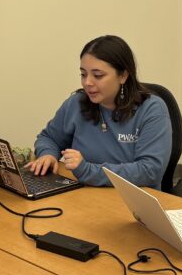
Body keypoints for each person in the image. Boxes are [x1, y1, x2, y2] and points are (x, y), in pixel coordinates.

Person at [27, 35, 172, 189]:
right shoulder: (76, 103)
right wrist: (48, 154)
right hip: (85, 196)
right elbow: (49, 138)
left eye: (98, 75)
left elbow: (149, 171)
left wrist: (87, 170)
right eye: (83, 74)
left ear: (123, 75)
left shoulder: (152, 109)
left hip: (133, 203)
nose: (87, 82)